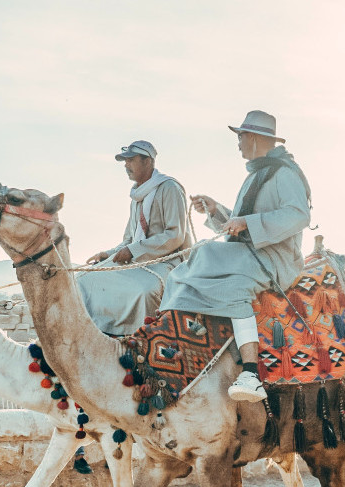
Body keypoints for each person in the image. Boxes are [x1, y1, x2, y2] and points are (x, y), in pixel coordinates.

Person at [160, 110, 311, 401]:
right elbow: (240, 224)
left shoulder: (285, 173)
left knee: (230, 283)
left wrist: (248, 223)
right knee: (189, 265)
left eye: (241, 136)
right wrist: (216, 210)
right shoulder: (258, 174)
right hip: (252, 251)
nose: (238, 142)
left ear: (254, 138)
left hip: (276, 259)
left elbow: (297, 215)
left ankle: (251, 373)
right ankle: (179, 339)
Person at [80, 140, 192, 336]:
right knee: (84, 279)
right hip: (137, 260)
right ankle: (96, 335)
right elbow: (129, 240)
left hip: (167, 261)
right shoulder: (137, 196)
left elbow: (175, 235)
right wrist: (108, 253)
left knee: (144, 290)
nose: (126, 166)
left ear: (147, 161)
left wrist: (133, 250)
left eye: (131, 160)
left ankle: (139, 342)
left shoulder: (170, 188)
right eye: (125, 161)